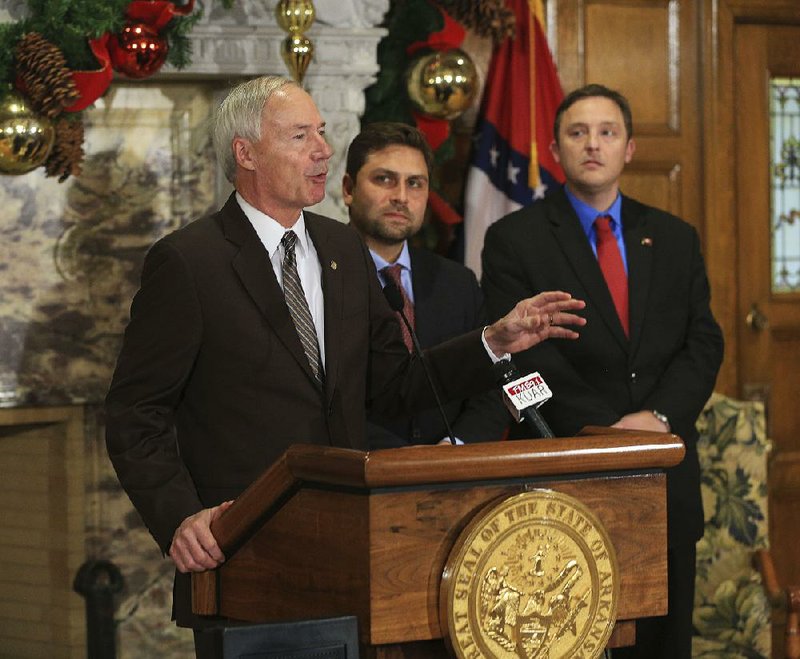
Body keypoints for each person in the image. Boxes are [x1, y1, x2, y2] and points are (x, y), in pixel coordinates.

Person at [104, 75, 586, 658]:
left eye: (323, 133)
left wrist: (492, 340)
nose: (323, 151)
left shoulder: (341, 250)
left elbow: (396, 385)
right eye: (300, 135)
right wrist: (181, 517)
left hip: (346, 551)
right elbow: (136, 412)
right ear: (246, 152)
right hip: (244, 555)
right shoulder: (188, 261)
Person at [481, 83, 724, 659]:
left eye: (607, 132)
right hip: (569, 474)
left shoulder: (674, 237)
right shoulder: (513, 239)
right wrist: (612, 432)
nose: (593, 144)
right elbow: (524, 360)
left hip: (665, 476)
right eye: (577, 132)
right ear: (556, 149)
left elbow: (703, 341)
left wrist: (658, 418)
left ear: (629, 149)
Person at [343, 121, 509, 447]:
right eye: (384, 179)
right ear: (349, 189)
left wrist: (455, 447)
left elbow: (489, 390)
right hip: (359, 472)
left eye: (415, 184)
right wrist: (403, 458)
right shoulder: (320, 273)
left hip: (451, 472)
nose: (401, 197)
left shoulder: (456, 282)